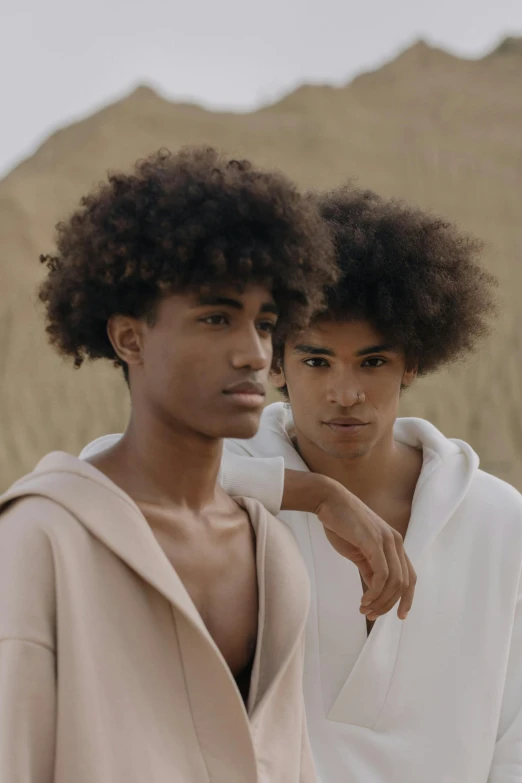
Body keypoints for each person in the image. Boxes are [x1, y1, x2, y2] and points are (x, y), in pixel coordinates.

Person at [84, 183, 522, 783]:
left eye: (372, 362)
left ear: (412, 362)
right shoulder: (230, 477)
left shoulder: (499, 518)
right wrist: (312, 495)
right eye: (316, 361)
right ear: (275, 363)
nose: (345, 393)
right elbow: (98, 476)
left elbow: (514, 735)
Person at [0, 147, 346, 783]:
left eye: (265, 324)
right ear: (130, 338)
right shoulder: (41, 540)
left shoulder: (272, 555)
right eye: (216, 318)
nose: (252, 353)